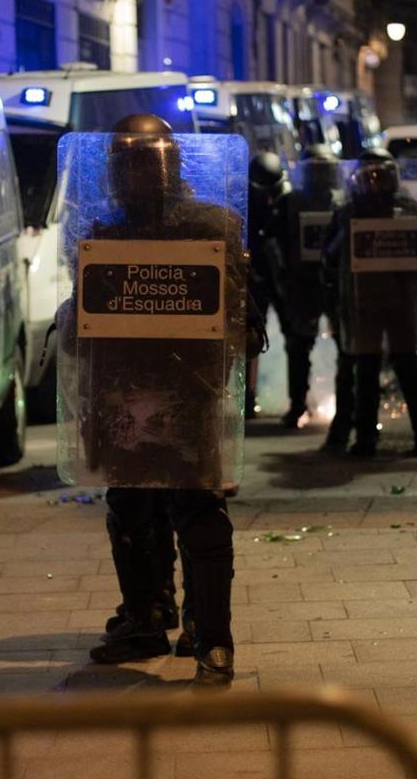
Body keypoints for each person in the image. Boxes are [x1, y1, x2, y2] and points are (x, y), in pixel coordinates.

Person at [62, 114, 250, 686]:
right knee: (133, 510)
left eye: (146, 161)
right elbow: (84, 327)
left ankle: (210, 634)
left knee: (197, 512)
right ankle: (151, 617)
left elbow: (237, 314)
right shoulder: (106, 235)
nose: (136, 174)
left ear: (171, 164)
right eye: (126, 163)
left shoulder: (212, 226)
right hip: (125, 396)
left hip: (187, 395)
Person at [324, 148, 417, 458]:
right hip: (362, 304)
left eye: (382, 176)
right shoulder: (347, 213)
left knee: (408, 368)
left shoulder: (407, 208)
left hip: (401, 302)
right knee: (366, 371)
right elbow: (328, 259)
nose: (376, 184)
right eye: (369, 177)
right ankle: (364, 439)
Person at [276, 145, 354, 443]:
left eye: (325, 170)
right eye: (316, 171)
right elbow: (277, 243)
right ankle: (298, 406)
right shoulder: (292, 202)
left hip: (331, 283)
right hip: (304, 282)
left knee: (345, 347)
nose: (321, 177)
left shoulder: (340, 202)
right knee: (299, 347)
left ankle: (335, 409)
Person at [245, 152, 288, 418]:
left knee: (295, 338)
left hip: (275, 275)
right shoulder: (247, 202)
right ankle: (247, 398)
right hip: (257, 276)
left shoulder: (283, 200)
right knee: (251, 339)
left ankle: (295, 400)